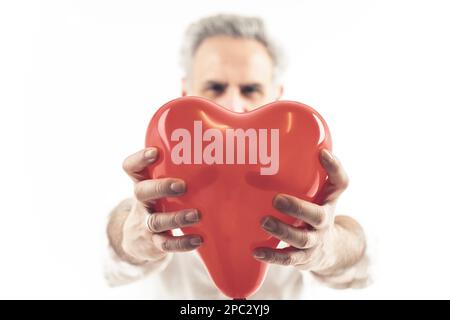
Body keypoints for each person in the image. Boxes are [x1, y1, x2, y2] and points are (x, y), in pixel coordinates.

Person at [105, 14, 370, 299]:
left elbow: (367, 260)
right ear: (185, 92)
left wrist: (329, 247)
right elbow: (107, 261)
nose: (233, 104)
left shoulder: (312, 174)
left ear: (277, 96)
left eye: (250, 89)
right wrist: (130, 239)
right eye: (215, 87)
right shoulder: (154, 169)